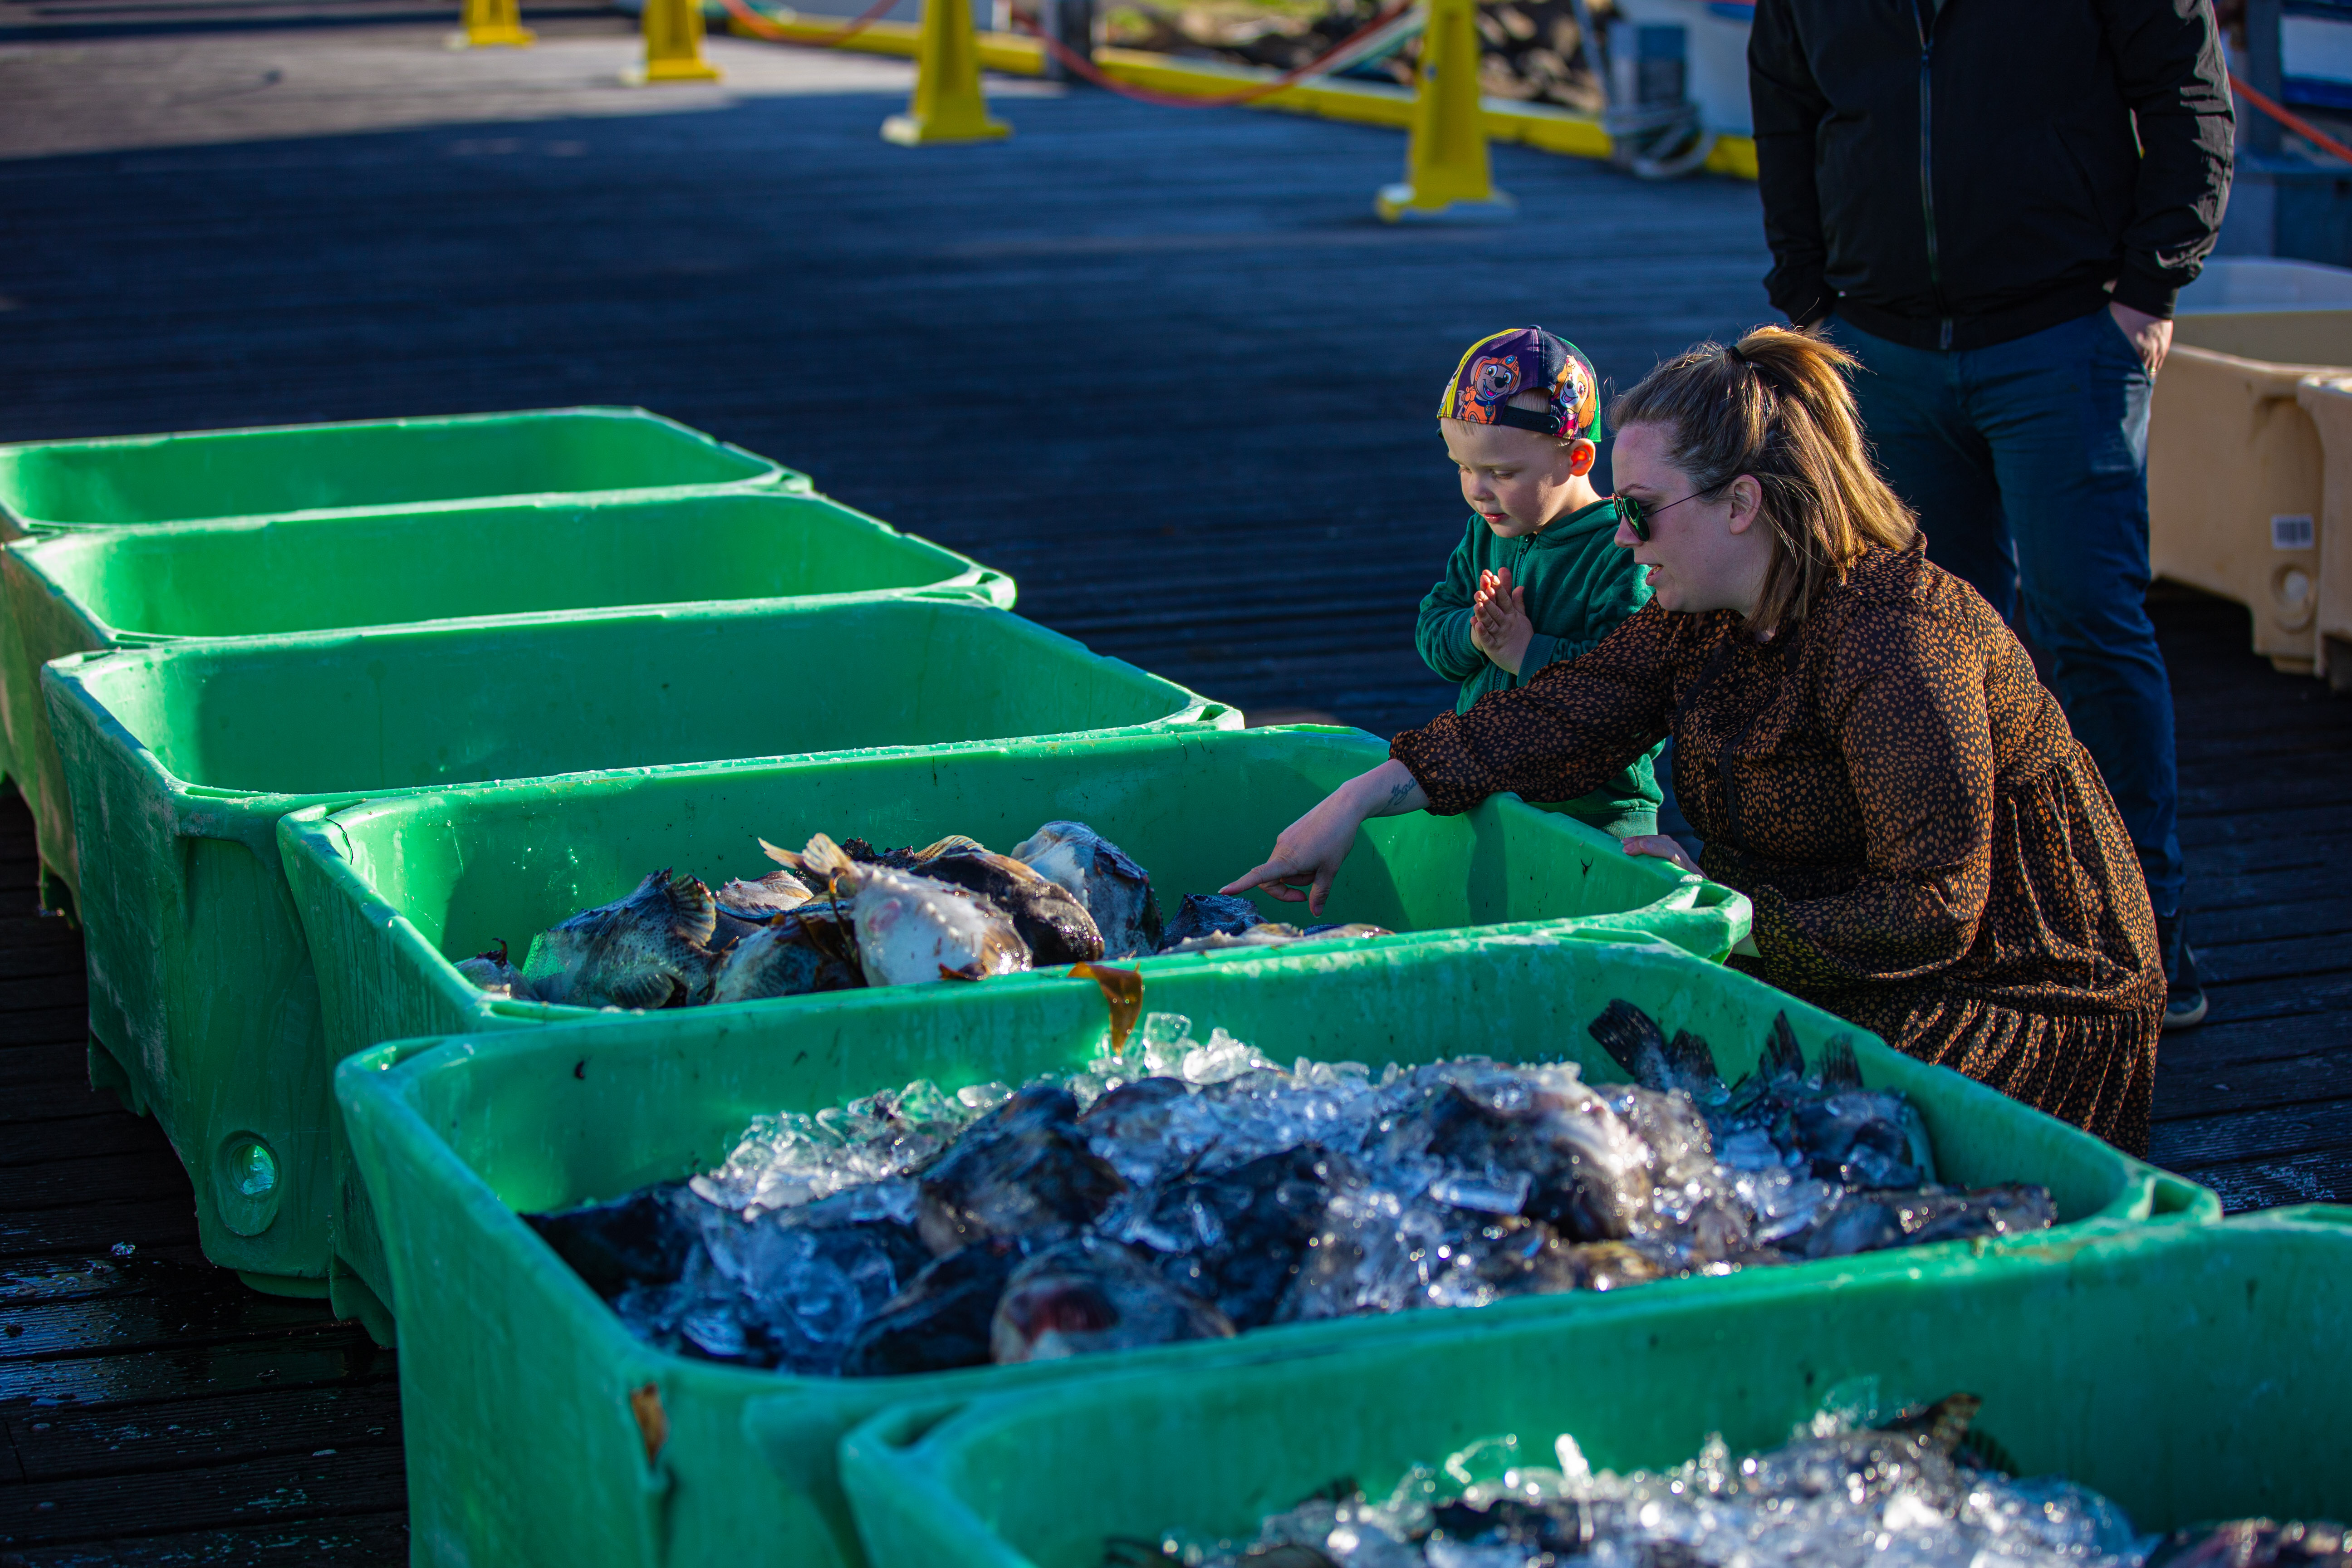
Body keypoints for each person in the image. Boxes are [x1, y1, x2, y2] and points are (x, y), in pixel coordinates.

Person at [1225, 329, 2165, 1155]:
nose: (1620, 538)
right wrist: (1360, 798)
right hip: (1813, 953)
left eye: (1637, 509)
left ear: (1741, 503)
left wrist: (1725, 910)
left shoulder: (1897, 641)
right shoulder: (1705, 614)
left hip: (2018, 999)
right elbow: (1559, 715)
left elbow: (1933, 909)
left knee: (1728, 1137)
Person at [1746, 0, 2234, 1030]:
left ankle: (2142, 928)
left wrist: (2151, 284)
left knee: (2088, 623)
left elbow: (2187, 93)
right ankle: (1967, 923)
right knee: (1918, 650)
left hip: (2061, 334)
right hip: (1879, 347)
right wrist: (1805, 300)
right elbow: (1783, 109)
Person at [1415, 326, 1663, 839]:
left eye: (1501, 473)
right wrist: (1474, 635)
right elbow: (1433, 628)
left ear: (1577, 459)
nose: (1478, 491)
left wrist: (1525, 653)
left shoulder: (1622, 551)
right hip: (1491, 795)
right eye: (1463, 468)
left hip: (1596, 816)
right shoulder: (1485, 533)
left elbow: (1637, 691)